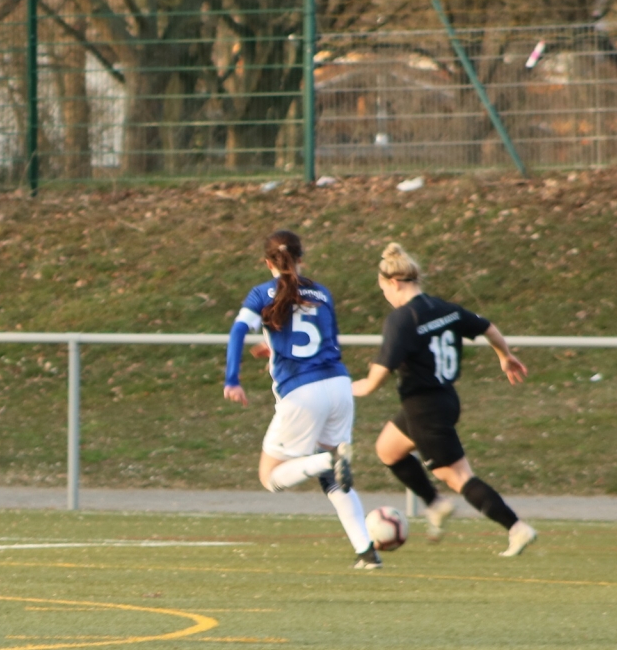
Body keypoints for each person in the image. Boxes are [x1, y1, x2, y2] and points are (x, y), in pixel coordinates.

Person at [352, 242, 538, 556]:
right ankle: (435, 503)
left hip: (424, 410)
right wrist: (504, 356)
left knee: (460, 477)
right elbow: (487, 327)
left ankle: (517, 528)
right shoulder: (443, 308)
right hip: (445, 400)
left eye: (383, 289)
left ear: (393, 282)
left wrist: (346, 388)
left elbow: (374, 380)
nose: (385, 295)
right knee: (388, 449)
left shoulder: (402, 319)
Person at [224, 230, 378, 569]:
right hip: (338, 385)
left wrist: (232, 379)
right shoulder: (322, 292)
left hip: (303, 392)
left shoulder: (262, 293)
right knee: (333, 480)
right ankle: (367, 552)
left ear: (267, 262)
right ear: (301, 259)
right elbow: (321, 340)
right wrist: (275, 349)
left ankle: (327, 460)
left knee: (270, 477)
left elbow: (238, 331)